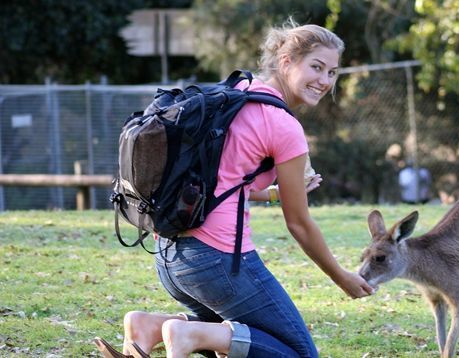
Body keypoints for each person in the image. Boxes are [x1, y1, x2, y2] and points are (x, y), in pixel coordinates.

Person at [94, 21, 373, 358]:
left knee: (242, 336)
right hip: (218, 261)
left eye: (332, 72)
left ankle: (151, 326)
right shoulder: (284, 125)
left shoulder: (236, 92)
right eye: (316, 67)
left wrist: (271, 194)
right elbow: (299, 223)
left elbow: (221, 182)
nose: (325, 81)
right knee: (299, 354)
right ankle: (184, 332)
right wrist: (340, 276)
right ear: (286, 60)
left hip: (171, 256)